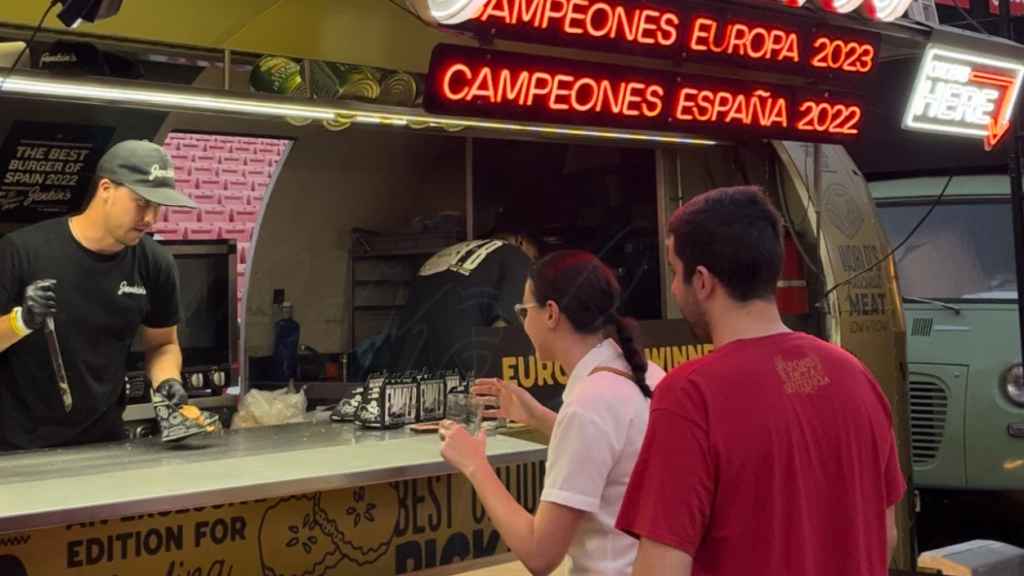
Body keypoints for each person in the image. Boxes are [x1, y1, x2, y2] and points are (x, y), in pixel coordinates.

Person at [615, 186, 906, 576]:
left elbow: (661, 569)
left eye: (673, 271)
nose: (673, 288)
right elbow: (885, 535)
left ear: (701, 280)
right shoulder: (855, 375)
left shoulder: (690, 395)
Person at [439, 250, 665, 576]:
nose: (523, 324)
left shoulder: (589, 403)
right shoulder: (645, 374)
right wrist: (538, 417)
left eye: (523, 311)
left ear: (551, 314)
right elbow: (611, 451)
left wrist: (475, 464)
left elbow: (540, 554)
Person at [0, 140, 196, 451]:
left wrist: (167, 380)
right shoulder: (21, 251)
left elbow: (162, 344)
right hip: (18, 445)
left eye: (158, 206)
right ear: (106, 189)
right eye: (141, 202)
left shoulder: (155, 263)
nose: (150, 218)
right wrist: (21, 321)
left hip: (105, 441)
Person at [373, 230, 541, 375]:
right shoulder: (515, 255)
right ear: (521, 241)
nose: (533, 262)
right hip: (463, 367)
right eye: (534, 257)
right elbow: (507, 325)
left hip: (406, 368)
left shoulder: (445, 253)